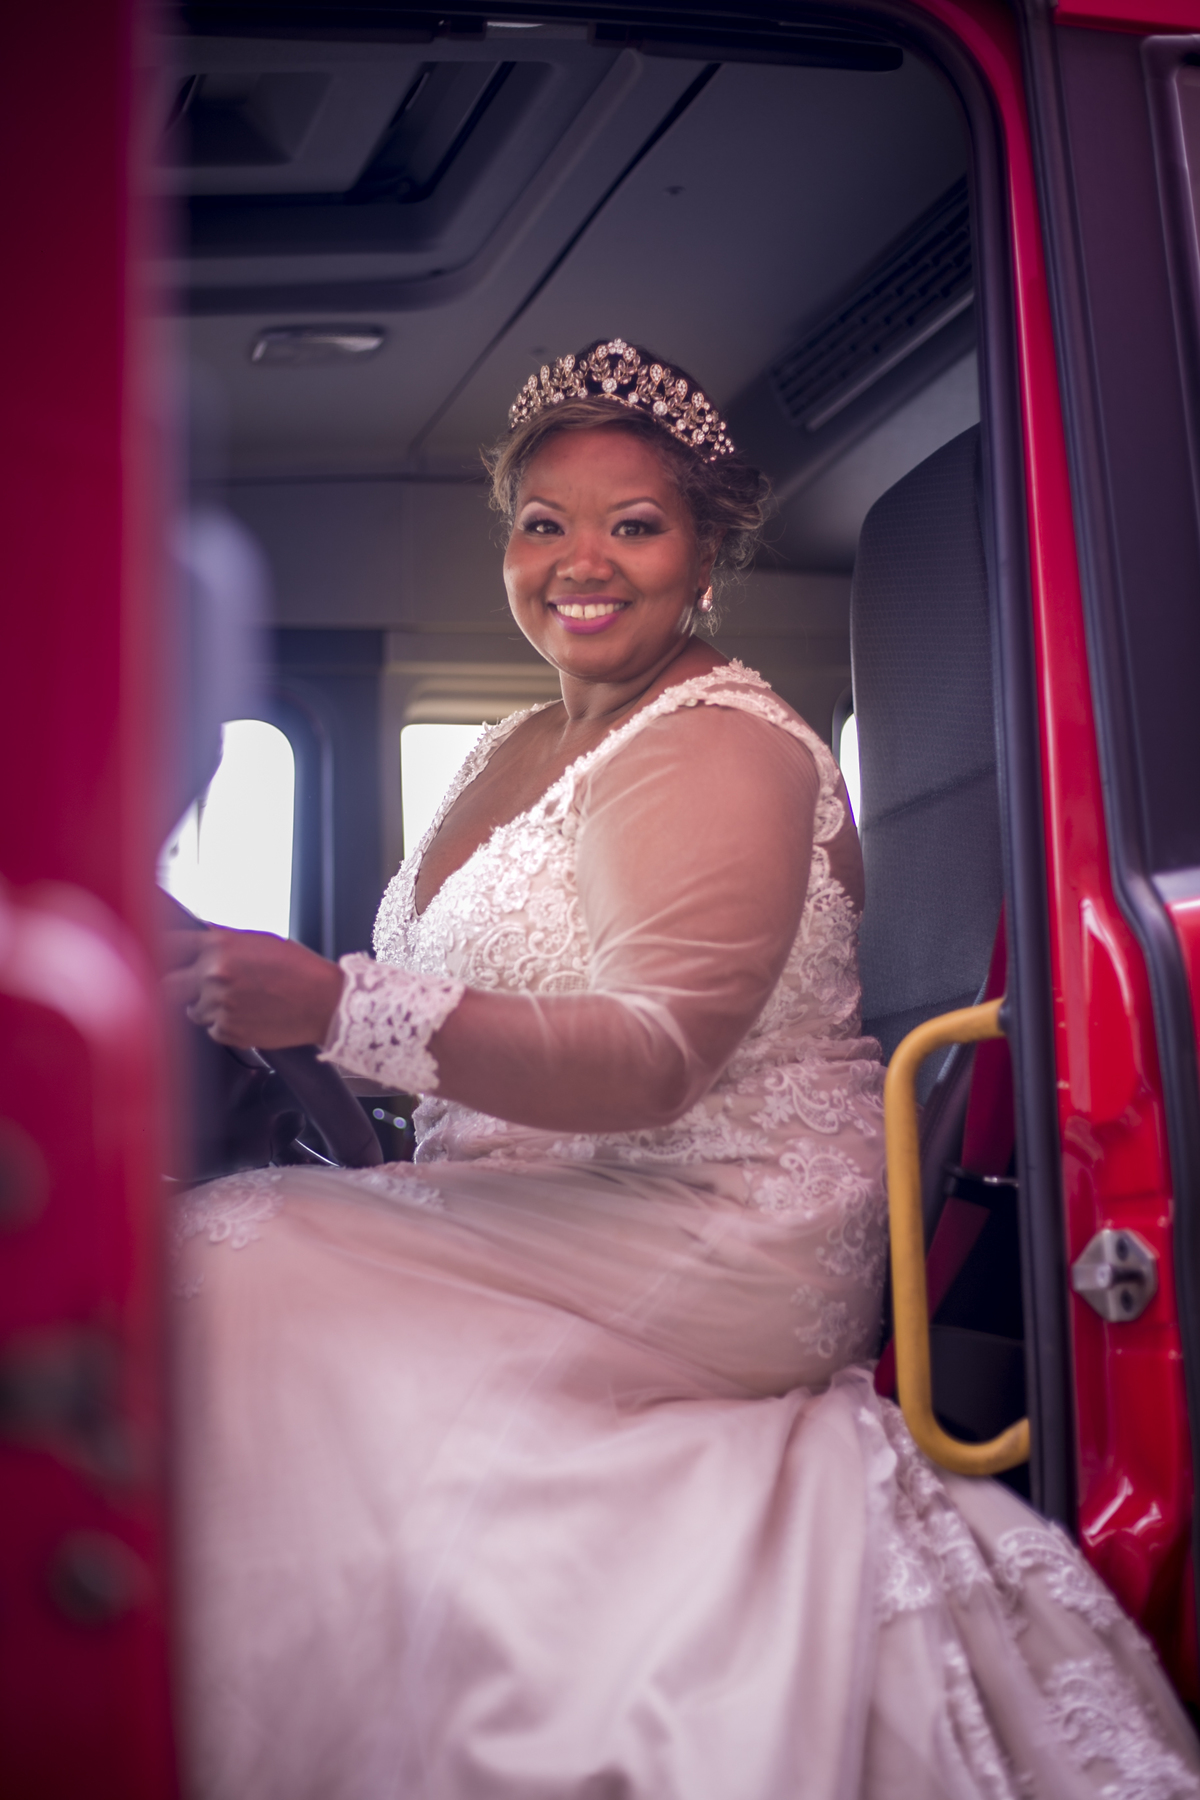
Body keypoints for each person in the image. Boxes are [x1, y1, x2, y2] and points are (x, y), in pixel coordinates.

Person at [168, 339, 1200, 1799]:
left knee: (238, 1276)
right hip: (538, 1190)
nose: (581, 562)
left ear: (705, 555)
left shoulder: (721, 744)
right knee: (226, 1254)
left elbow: (657, 1059)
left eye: (634, 525)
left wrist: (335, 1006)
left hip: (715, 1210)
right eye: (545, 523)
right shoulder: (510, 745)